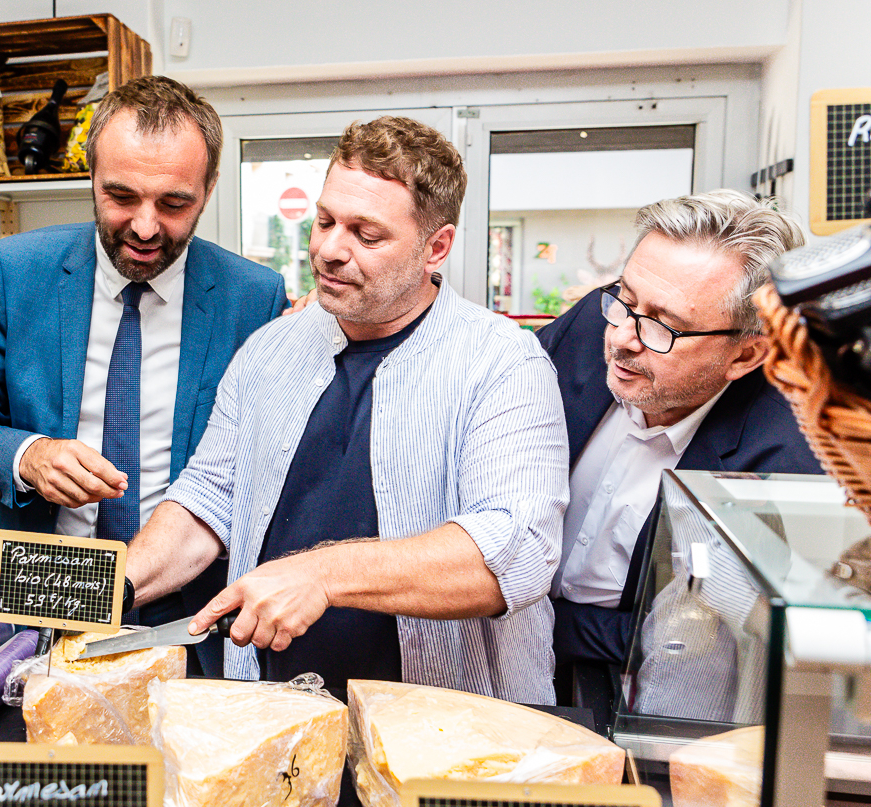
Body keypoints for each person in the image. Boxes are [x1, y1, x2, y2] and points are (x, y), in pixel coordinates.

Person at [118, 116, 569, 704]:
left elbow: (515, 548)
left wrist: (321, 575)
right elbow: (208, 501)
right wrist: (101, 589)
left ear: (437, 246)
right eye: (326, 221)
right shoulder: (269, 350)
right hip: (273, 717)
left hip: (441, 727)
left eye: (367, 234)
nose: (329, 250)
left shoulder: (504, 362)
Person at [0, 76, 288, 644]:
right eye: (121, 197)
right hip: (47, 594)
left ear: (210, 186)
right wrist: (29, 456)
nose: (146, 227)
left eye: (175, 203)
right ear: (91, 175)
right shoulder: (13, 270)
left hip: (192, 607)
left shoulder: (253, 297)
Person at [537, 189, 823, 729]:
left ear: (746, 353)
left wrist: (535, 623)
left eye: (663, 326)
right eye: (625, 299)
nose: (622, 338)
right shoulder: (586, 328)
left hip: (635, 694)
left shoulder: (784, 458)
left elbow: (703, 636)